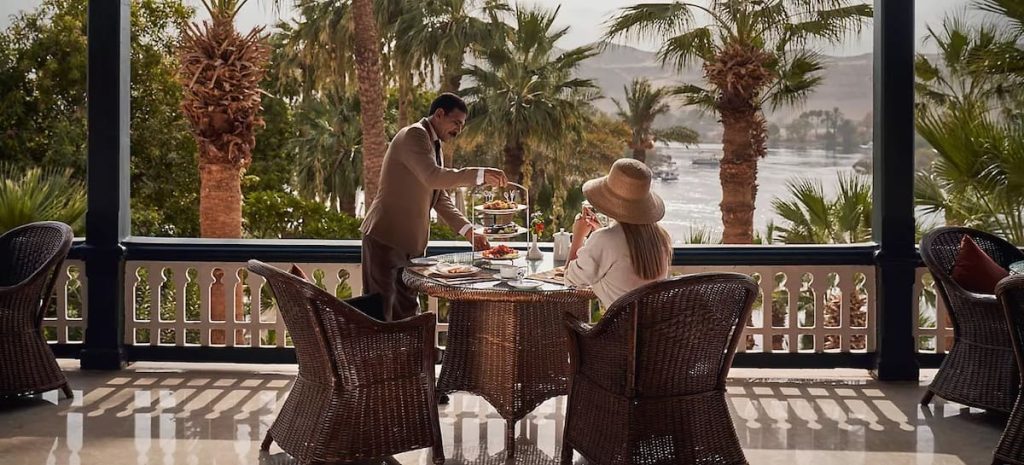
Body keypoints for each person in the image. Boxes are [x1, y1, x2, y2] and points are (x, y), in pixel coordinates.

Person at [360, 93, 507, 321]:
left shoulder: (433, 144)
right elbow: (433, 177)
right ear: (439, 114)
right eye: (456, 122)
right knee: (380, 315)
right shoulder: (414, 135)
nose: (458, 130)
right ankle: (377, 358)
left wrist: (469, 232)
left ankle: (411, 357)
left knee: (406, 313)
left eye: (462, 125)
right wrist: (480, 175)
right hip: (385, 240)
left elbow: (438, 197)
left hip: (409, 247)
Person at [565, 158, 673, 309]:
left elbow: (571, 281)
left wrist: (578, 236)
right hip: (650, 330)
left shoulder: (605, 240)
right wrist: (601, 231)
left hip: (617, 332)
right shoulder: (661, 237)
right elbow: (624, 251)